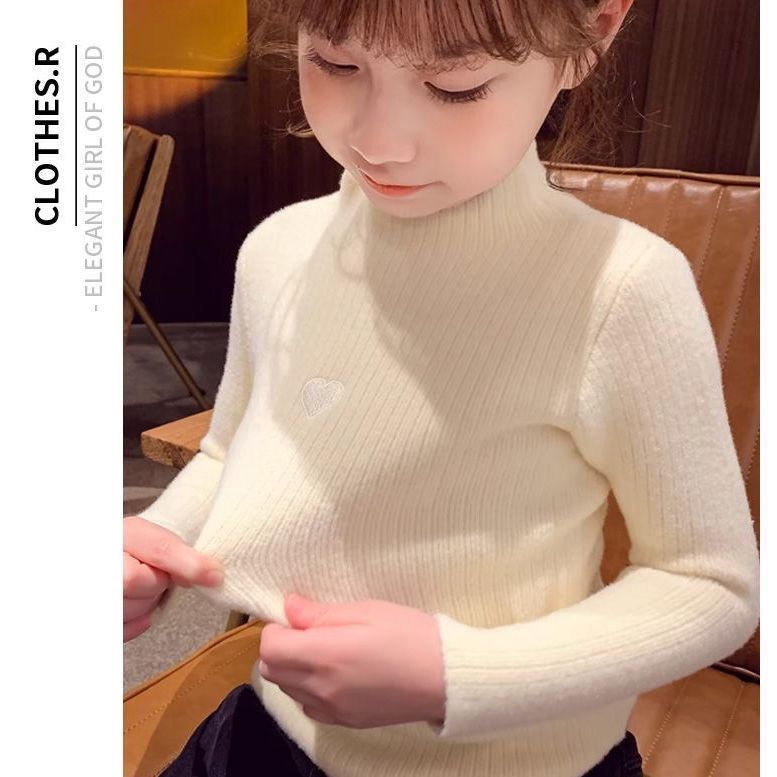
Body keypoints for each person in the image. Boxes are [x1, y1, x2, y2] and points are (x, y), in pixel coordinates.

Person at [123, 0, 760, 775]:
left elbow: (709, 582)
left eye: (456, 85)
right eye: (334, 62)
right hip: (275, 725)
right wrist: (156, 543)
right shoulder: (279, 249)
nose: (377, 142)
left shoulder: (619, 288)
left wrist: (460, 675)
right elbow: (232, 451)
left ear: (593, 30)